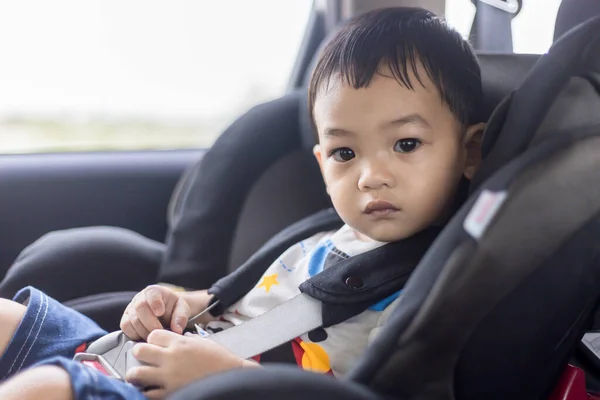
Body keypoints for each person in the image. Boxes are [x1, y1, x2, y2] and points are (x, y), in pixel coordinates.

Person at [0, 7, 485, 400]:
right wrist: (170, 302)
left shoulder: (430, 293)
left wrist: (223, 378)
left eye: (405, 145)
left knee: (47, 388)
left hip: (204, 387)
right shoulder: (316, 238)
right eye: (344, 153)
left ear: (470, 151)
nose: (370, 176)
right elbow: (221, 303)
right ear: (322, 163)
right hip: (131, 357)